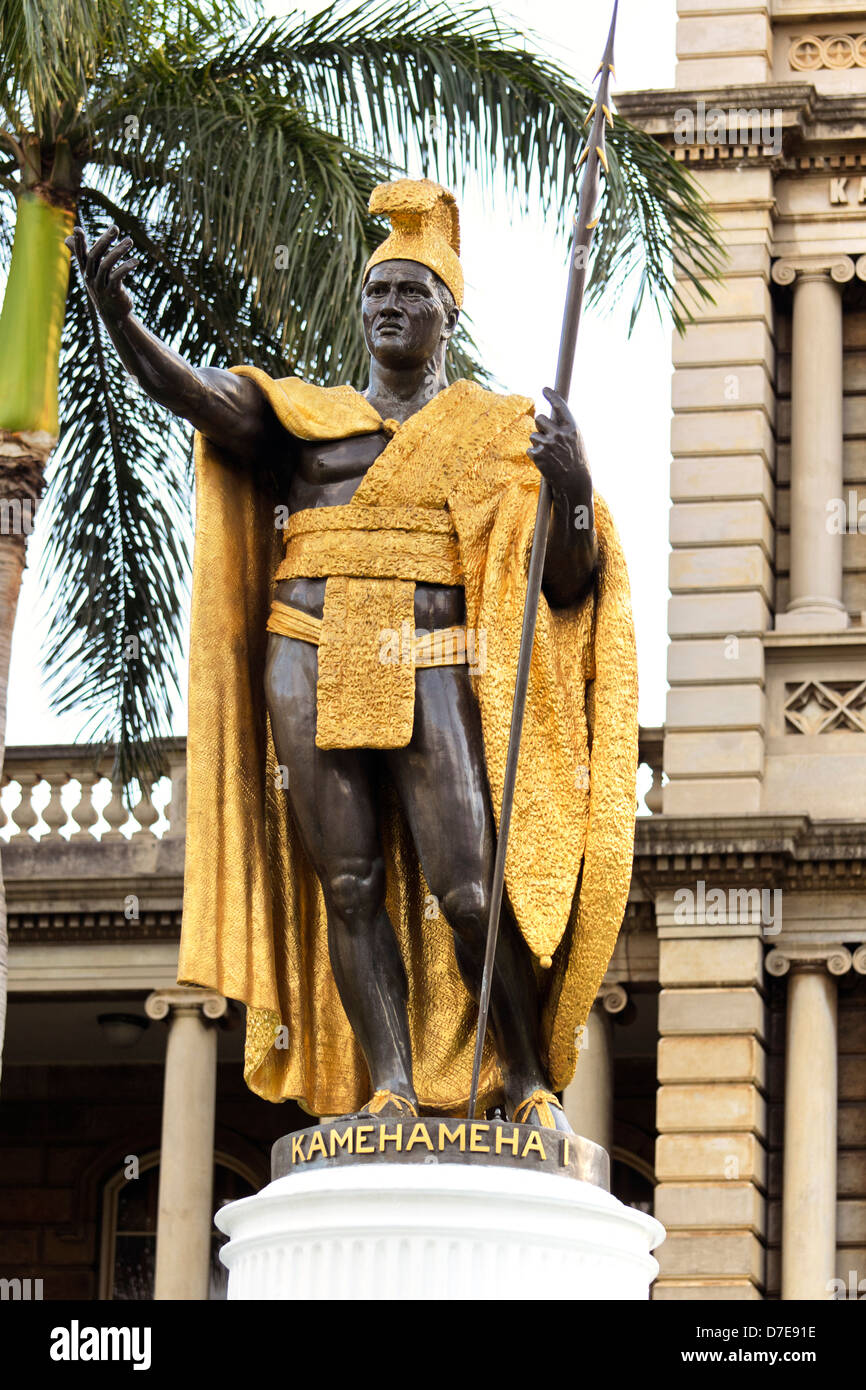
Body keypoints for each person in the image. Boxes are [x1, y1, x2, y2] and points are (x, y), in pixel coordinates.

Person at [68, 179, 638, 1128]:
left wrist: (571, 486)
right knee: (350, 880)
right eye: (377, 293)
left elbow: (569, 584)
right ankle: (390, 1085)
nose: (390, 308)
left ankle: (529, 1078)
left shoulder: (492, 433)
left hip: (434, 646)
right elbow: (201, 396)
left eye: (411, 293)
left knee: (468, 886)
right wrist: (123, 326)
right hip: (307, 647)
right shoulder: (303, 420)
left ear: (446, 317)